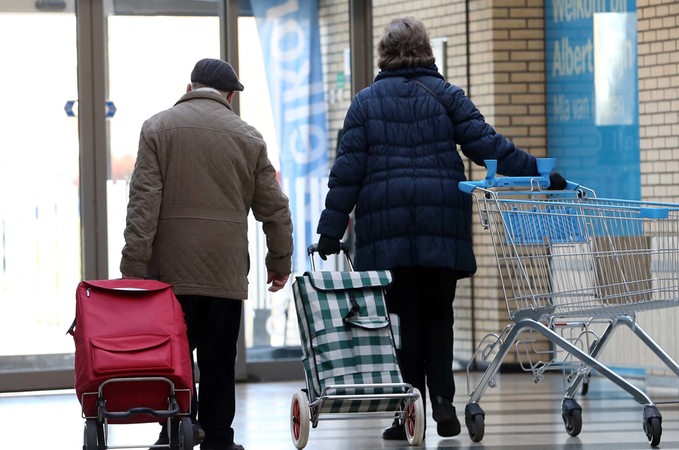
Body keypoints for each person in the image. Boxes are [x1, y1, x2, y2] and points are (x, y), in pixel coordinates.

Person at [315, 17, 566, 440]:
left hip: (386, 225)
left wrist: (330, 230)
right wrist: (539, 174)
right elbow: (489, 146)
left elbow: (347, 173)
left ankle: (407, 412)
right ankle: (443, 403)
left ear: (384, 54)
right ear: (426, 50)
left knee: (404, 319)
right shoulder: (446, 95)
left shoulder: (365, 103)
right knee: (438, 314)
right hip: (440, 221)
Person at [120, 58, 294, 450]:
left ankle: (176, 429)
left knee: (173, 356)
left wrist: (133, 267)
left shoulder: (157, 129)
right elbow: (275, 208)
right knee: (218, 360)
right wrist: (279, 262)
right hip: (224, 273)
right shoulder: (248, 137)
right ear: (230, 97)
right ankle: (219, 438)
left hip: (169, 274)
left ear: (189, 87)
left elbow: (143, 204)